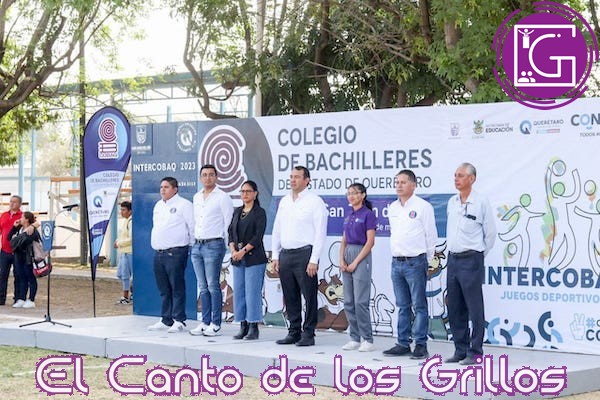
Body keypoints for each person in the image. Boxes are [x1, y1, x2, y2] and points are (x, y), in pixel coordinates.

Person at [445, 163, 496, 365]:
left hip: (471, 259)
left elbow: (490, 234)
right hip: (453, 259)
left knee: (474, 307)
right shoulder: (452, 201)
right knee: (454, 306)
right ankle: (460, 349)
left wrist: (478, 254)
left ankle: (475, 351)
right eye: (455, 175)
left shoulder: (481, 201)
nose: (456, 179)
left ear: (471, 179)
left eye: (460, 175)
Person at [383, 169, 438, 359]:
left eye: (403, 182)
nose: (399, 185)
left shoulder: (423, 207)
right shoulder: (393, 207)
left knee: (419, 305)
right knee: (402, 305)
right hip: (396, 262)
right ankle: (403, 343)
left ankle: (421, 344)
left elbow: (431, 236)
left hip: (416, 262)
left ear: (413, 185)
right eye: (397, 182)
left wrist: (427, 261)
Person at [272, 166, 328, 347]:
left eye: (297, 177)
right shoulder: (285, 201)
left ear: (307, 180)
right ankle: (294, 331)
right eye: (291, 177)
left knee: (309, 295)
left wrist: (314, 259)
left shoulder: (315, 201)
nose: (293, 180)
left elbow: (320, 233)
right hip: (286, 254)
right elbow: (277, 229)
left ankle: (309, 332)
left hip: (305, 254)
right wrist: (275, 255)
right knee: (290, 295)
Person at [189, 164, 233, 337]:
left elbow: (228, 223)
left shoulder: (222, 197)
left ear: (216, 177)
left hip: (214, 245)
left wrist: (226, 245)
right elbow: (195, 221)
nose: (208, 178)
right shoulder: (196, 197)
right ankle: (204, 322)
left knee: (213, 285)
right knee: (202, 286)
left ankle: (215, 323)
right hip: (197, 246)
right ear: (200, 178)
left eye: (211, 175)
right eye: (204, 175)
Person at [148, 177, 195, 333]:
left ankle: (179, 320)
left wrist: (190, 246)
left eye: (166, 187)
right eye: (161, 187)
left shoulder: (184, 205)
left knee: (177, 287)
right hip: (159, 252)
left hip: (175, 252)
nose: (163, 189)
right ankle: (166, 319)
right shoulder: (158, 205)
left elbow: (192, 227)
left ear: (175, 189)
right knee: (164, 288)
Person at [228, 180, 268, 340]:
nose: (245, 194)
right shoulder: (237, 211)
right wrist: (233, 250)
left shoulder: (259, 212)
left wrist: (243, 251)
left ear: (255, 193)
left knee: (252, 293)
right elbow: (231, 232)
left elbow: (257, 237)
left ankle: (253, 326)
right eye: (242, 191)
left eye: (248, 191)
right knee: (239, 292)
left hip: (254, 258)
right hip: (238, 258)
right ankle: (243, 325)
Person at [339, 183, 377, 352]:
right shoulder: (349, 216)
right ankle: (354, 337)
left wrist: (355, 262)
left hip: (361, 255)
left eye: (355, 193)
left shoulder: (368, 215)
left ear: (363, 195)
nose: (351, 196)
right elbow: (344, 240)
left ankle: (367, 339)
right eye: (349, 193)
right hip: (348, 253)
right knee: (348, 301)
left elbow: (370, 242)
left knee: (360, 301)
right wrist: (341, 260)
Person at [0, 195, 30, 306]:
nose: (12, 203)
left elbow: (34, 224)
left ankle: (18, 298)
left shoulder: (23, 216)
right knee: (2, 275)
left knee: (18, 275)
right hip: (4, 251)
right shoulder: (4, 215)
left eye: (15, 202)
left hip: (18, 252)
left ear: (20, 204)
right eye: (11, 201)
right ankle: (1, 298)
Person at [8, 211, 41, 308]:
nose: (20, 219)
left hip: (28, 258)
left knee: (30, 278)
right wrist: (14, 227)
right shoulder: (19, 229)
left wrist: (16, 240)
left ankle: (31, 299)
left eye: (22, 217)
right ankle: (22, 298)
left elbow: (25, 240)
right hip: (18, 257)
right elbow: (9, 238)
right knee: (22, 278)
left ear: (27, 219)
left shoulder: (32, 230)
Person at [114, 201, 133, 305]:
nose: (121, 212)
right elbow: (122, 235)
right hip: (124, 252)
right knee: (121, 274)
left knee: (126, 276)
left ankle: (126, 297)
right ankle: (131, 294)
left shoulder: (131, 222)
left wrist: (119, 243)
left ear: (130, 211)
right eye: (121, 210)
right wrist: (117, 241)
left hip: (129, 252)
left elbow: (131, 239)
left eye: (123, 210)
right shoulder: (125, 221)